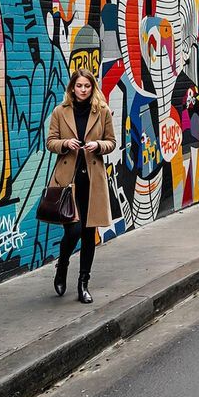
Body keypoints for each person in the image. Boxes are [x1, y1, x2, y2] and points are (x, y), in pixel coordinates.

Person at [46, 68, 117, 305]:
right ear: (72, 88)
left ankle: (83, 283)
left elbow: (112, 142)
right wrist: (65, 143)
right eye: (79, 86)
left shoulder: (102, 111)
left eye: (87, 86)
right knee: (73, 231)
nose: (83, 90)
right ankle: (62, 265)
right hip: (68, 181)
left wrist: (98, 145)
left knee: (89, 234)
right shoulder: (60, 111)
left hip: (92, 180)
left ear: (92, 87)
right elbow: (50, 142)